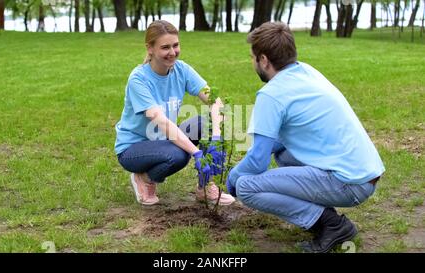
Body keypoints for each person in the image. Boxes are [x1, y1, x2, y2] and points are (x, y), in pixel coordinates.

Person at [226, 22, 385, 253]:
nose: (253, 63)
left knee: (245, 186)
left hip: (349, 183)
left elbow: (257, 162)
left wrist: (233, 175)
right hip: (365, 173)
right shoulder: (306, 71)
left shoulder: (271, 95)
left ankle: (331, 224)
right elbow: (277, 143)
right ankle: (323, 215)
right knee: (282, 152)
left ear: (263, 60)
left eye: (252, 58)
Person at [115, 20, 235, 206]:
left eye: (175, 45)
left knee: (208, 123)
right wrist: (196, 153)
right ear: (150, 48)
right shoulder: (138, 79)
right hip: (133, 148)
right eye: (165, 47)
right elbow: (161, 122)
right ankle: (144, 178)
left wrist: (217, 137)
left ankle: (205, 187)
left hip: (164, 138)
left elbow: (215, 101)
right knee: (178, 156)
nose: (172, 52)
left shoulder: (182, 69)